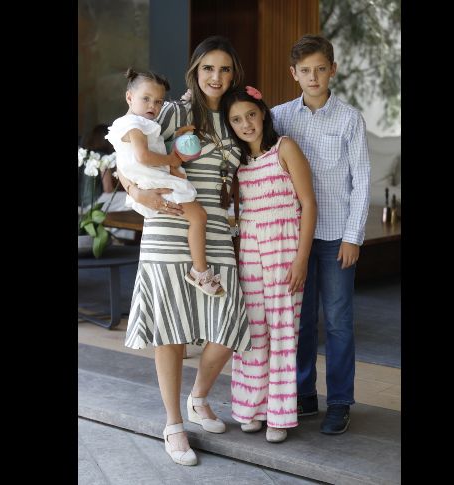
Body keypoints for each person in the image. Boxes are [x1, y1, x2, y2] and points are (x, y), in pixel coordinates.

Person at [114, 36, 252, 466]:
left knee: (229, 323)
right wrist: (139, 194)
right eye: (208, 67)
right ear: (196, 70)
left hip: (213, 229)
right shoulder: (170, 111)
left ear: (233, 74)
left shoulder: (235, 116)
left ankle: (199, 397)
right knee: (169, 329)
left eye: (225, 68)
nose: (217, 76)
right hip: (167, 223)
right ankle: (174, 424)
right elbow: (125, 157)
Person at [270, 34, 371, 435]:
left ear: (333, 69)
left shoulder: (349, 119)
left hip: (334, 237)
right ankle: (303, 395)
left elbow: (361, 180)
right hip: (293, 238)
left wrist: (353, 236)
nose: (313, 77)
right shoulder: (278, 117)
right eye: (305, 71)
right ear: (293, 74)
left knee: (339, 321)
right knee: (300, 320)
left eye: (320, 69)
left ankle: (341, 401)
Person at [221, 85, 316, 443]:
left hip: (284, 248)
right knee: (254, 330)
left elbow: (308, 203)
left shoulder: (284, 148)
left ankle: (279, 414)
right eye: (236, 120)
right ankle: (251, 409)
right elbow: (238, 213)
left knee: (282, 331)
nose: (246, 124)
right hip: (250, 251)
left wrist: (301, 258)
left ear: (262, 113)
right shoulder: (239, 164)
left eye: (250, 114)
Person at [107, 68, 225, 297]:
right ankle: (200, 271)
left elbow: (143, 155)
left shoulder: (134, 124)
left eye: (158, 101)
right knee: (199, 217)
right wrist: (171, 160)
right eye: (146, 99)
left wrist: (172, 159)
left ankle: (199, 269)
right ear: (129, 97)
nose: (153, 106)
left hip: (151, 182)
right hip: (154, 184)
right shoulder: (135, 125)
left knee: (195, 217)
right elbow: (143, 157)